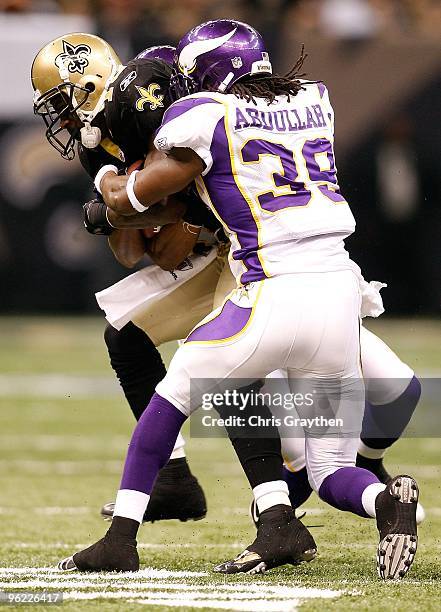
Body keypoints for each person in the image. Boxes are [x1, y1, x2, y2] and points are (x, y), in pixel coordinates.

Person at [53, 20, 419, 579]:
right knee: (332, 466)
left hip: (271, 286)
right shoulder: (313, 97)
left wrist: (108, 185)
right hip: (338, 292)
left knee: (176, 393)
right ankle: (379, 500)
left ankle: (120, 539)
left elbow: (135, 196)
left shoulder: (198, 114)